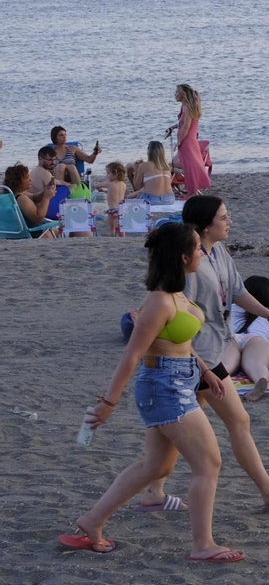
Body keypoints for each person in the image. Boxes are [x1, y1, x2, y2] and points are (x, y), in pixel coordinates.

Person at [62, 223, 243, 562]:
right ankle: (203, 545)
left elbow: (182, 342)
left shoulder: (178, 292)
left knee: (154, 467)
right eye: (197, 248)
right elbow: (132, 355)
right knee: (209, 463)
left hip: (180, 380)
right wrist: (107, 404)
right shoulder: (159, 301)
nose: (203, 252)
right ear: (184, 256)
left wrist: (204, 370)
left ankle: (92, 520)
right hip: (164, 386)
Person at [140, 196, 269, 515]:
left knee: (166, 427)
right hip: (197, 355)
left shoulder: (219, 252)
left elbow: (238, 292)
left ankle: (153, 492)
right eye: (223, 217)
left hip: (213, 346)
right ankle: (268, 490)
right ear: (205, 225)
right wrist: (202, 367)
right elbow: (175, 313)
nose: (229, 221)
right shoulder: (189, 262)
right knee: (237, 419)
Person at [229, 276, 269, 403]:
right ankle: (260, 380)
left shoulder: (232, 307)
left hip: (232, 336)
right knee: (256, 364)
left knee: (226, 364)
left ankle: (214, 381)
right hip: (257, 338)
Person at [165, 84, 210, 194]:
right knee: (187, 166)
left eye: (177, 93)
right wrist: (173, 127)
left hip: (188, 141)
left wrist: (179, 141)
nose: (175, 95)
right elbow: (182, 123)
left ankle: (193, 192)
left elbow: (186, 126)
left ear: (183, 94)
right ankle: (191, 190)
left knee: (189, 167)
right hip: (187, 140)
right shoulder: (185, 107)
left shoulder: (188, 108)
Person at [2, 164, 59, 236]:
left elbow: (34, 198)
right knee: (58, 229)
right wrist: (46, 197)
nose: (30, 179)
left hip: (19, 232)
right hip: (35, 232)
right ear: (18, 181)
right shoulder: (21, 198)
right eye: (27, 177)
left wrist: (45, 191)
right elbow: (38, 216)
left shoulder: (14, 195)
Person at [129, 140, 177, 205]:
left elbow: (137, 187)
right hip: (169, 199)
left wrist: (136, 169)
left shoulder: (145, 165)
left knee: (139, 196)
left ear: (149, 151)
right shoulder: (166, 167)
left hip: (152, 200)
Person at [99, 161, 129, 236]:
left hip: (112, 210)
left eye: (108, 173)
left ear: (115, 173)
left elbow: (97, 186)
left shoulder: (109, 184)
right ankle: (123, 239)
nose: (107, 175)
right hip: (121, 210)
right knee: (121, 228)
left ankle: (113, 239)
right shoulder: (123, 184)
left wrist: (101, 189)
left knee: (112, 228)